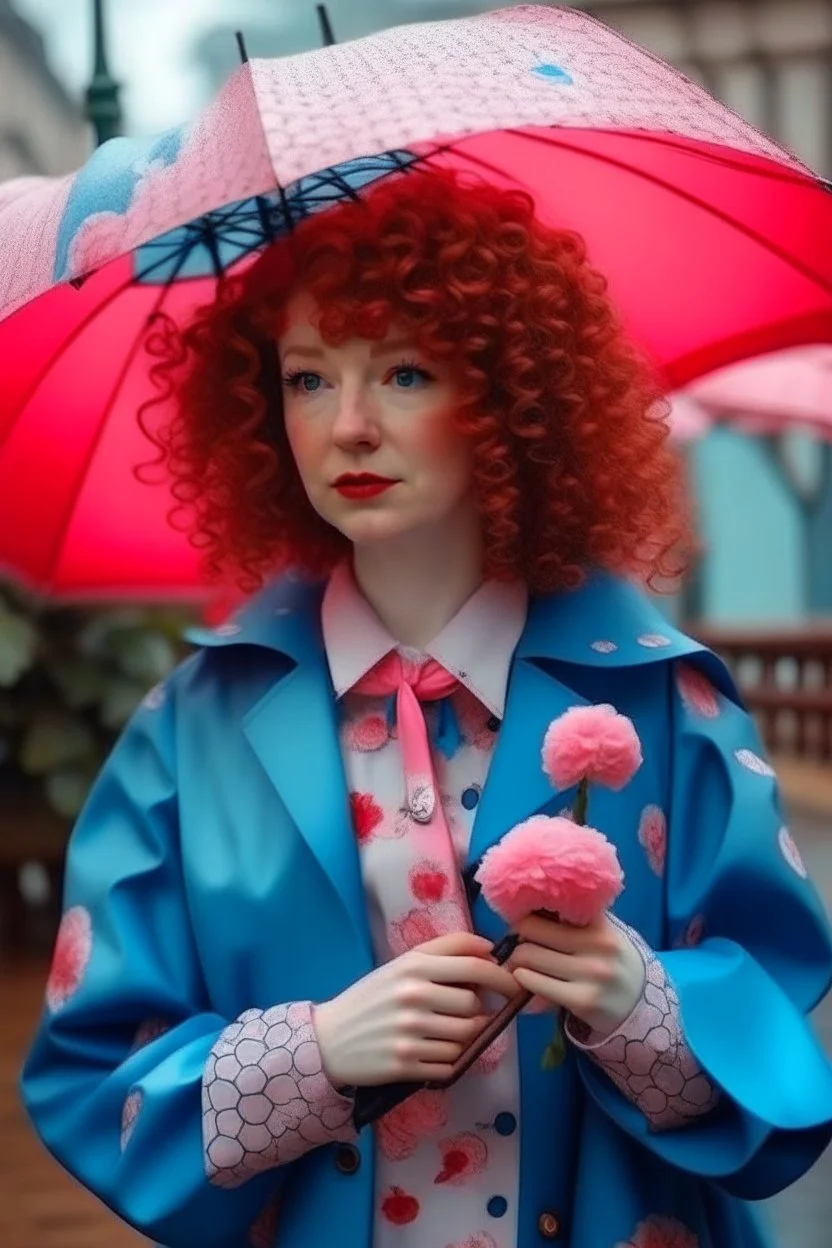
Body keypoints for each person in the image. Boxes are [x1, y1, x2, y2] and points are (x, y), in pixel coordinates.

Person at [21, 167, 832, 1248]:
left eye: (403, 373)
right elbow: (92, 1068)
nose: (348, 426)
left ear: (508, 401)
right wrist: (311, 1055)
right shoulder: (192, 729)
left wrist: (634, 999)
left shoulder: (664, 698)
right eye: (307, 380)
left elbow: (776, 1028)